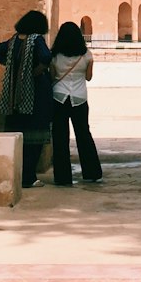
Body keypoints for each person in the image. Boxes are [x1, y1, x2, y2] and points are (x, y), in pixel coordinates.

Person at [0, 10, 53, 189]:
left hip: (14, 95)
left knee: (19, 136)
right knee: (35, 137)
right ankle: (28, 178)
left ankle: (18, 176)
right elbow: (46, 57)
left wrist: (12, 66)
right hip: (35, 94)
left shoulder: (13, 40)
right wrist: (37, 71)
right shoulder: (36, 40)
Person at [50, 20, 103, 186]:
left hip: (59, 97)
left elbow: (52, 77)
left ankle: (62, 177)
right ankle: (91, 172)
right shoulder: (86, 55)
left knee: (60, 137)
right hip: (79, 98)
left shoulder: (55, 56)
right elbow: (88, 77)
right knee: (83, 134)